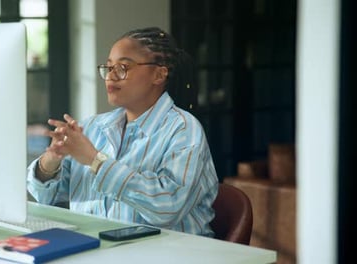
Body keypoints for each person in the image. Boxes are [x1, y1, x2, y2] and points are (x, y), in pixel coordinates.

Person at [27, 27, 219, 237]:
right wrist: (51, 161)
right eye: (108, 68)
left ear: (159, 74)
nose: (110, 76)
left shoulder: (184, 129)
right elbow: (47, 197)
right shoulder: (93, 127)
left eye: (122, 67)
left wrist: (95, 161)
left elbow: (167, 207)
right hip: (100, 249)